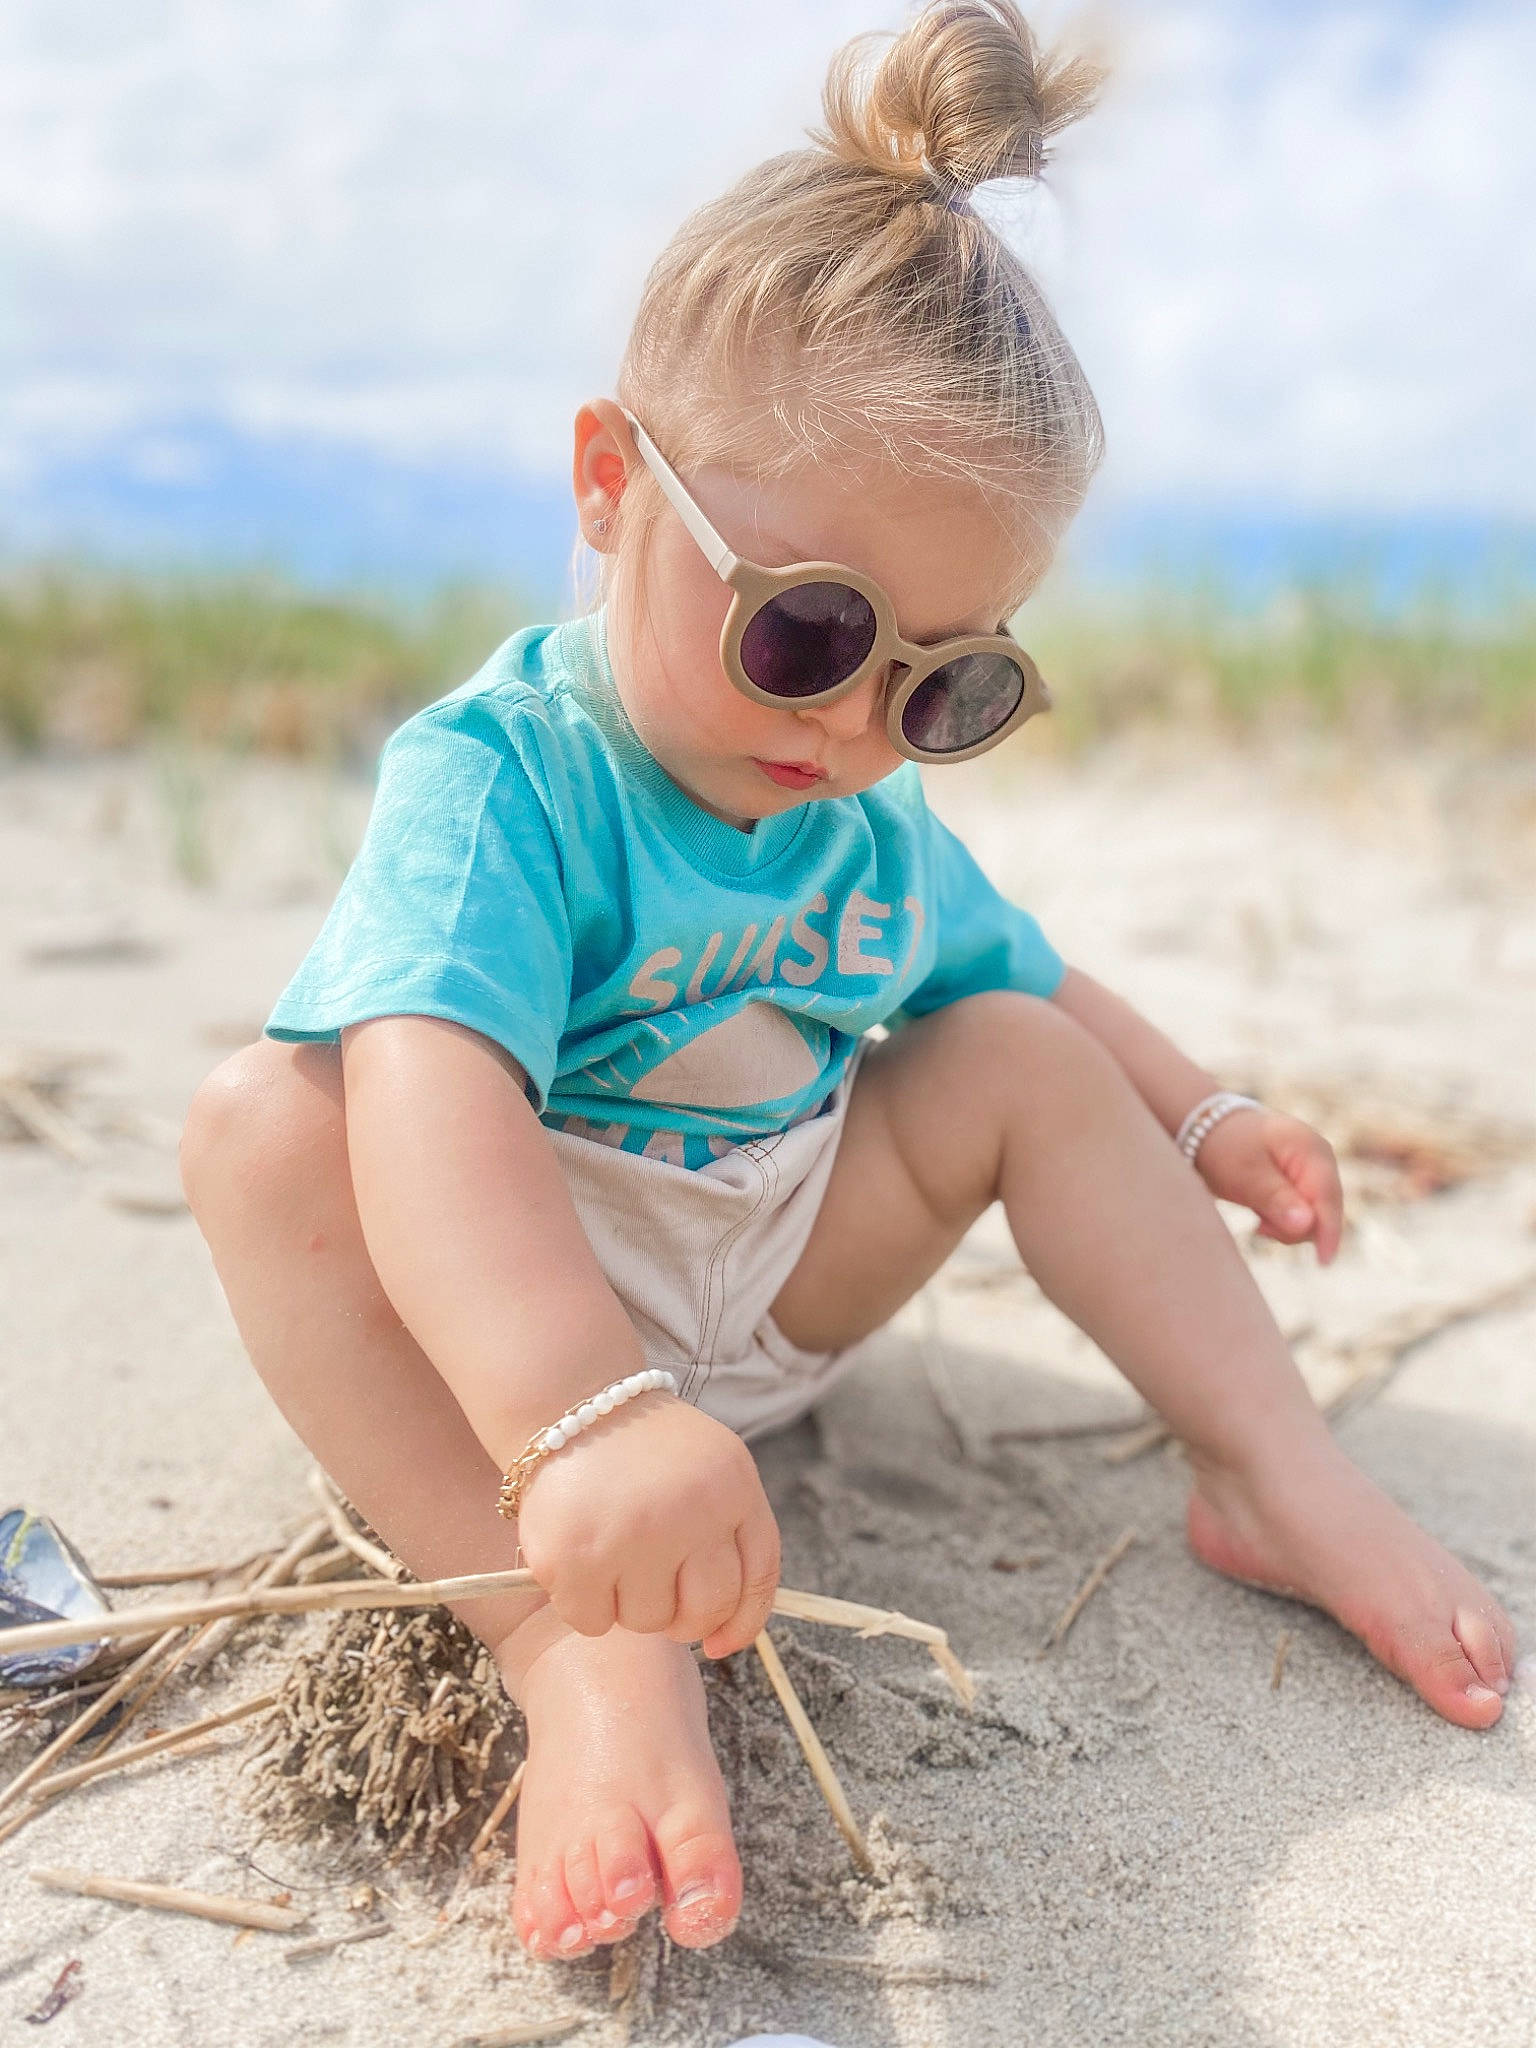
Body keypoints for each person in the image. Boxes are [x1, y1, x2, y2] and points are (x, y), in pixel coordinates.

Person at [180, 0, 1517, 1967]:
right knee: (261, 1136)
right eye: (806, 630)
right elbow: (436, 1078)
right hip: (526, 1336)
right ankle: (570, 1643)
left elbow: (1036, 981)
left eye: (948, 682)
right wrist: (579, 1420)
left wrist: (1209, 1113)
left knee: (1014, 1055)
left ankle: (1273, 1466)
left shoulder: (859, 815)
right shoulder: (509, 776)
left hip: (776, 1282)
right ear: (611, 485)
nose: (858, 723)